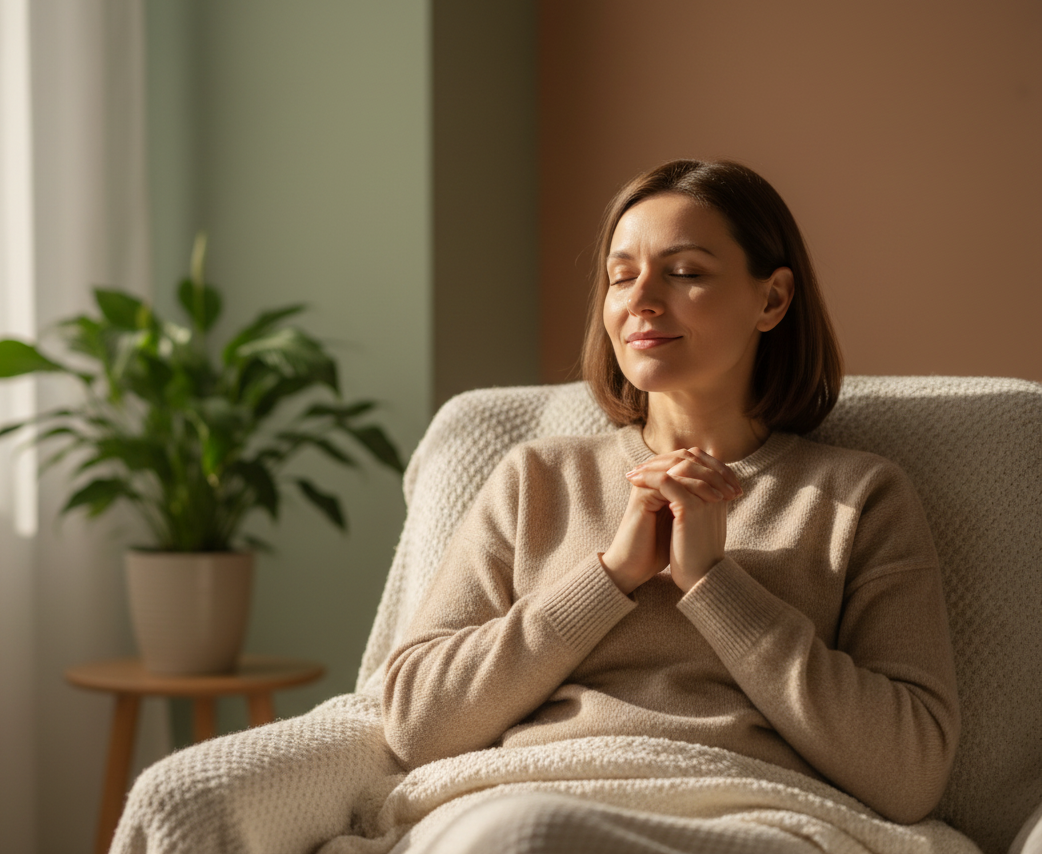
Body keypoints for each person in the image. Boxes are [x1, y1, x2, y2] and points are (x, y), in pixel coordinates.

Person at [381, 159, 960, 845]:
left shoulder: (859, 497)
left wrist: (715, 587)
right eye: (621, 275)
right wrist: (609, 576)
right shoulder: (534, 478)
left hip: (753, 817)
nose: (642, 300)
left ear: (772, 300)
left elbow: (911, 771)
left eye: (684, 272)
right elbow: (416, 722)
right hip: (530, 801)